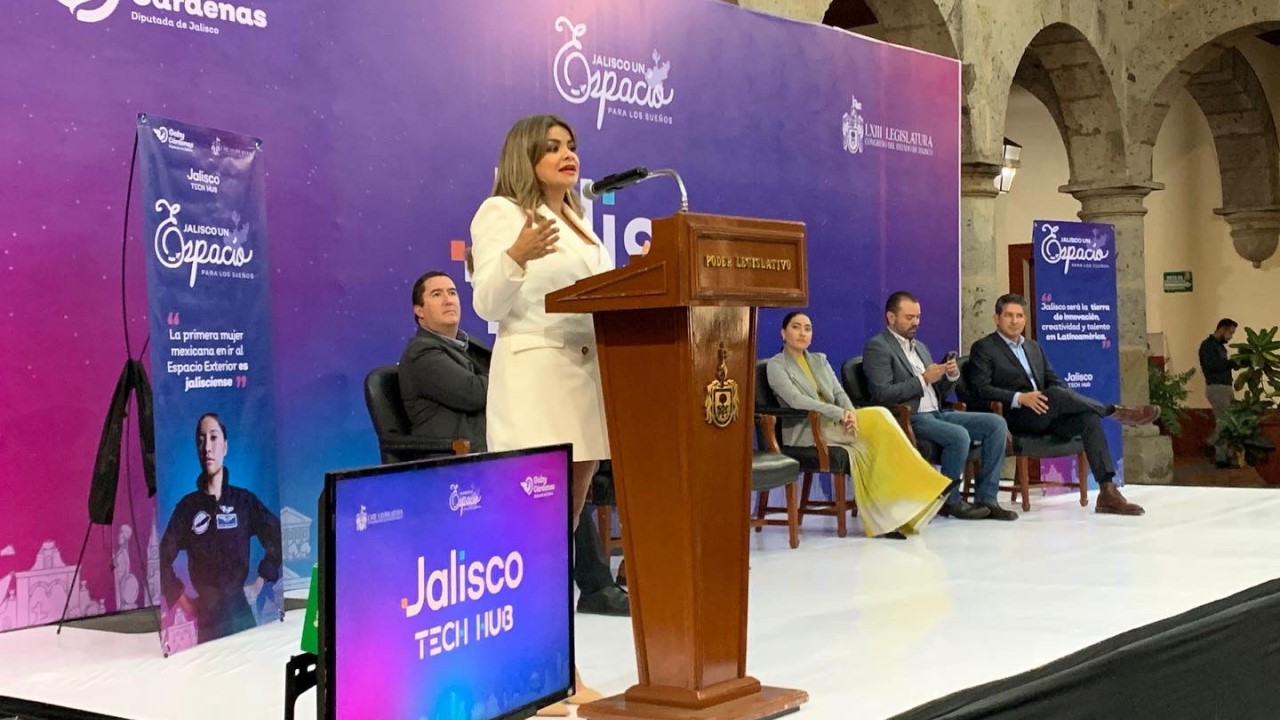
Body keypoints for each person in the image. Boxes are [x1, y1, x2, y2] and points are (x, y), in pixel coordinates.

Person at [470, 114, 634, 714]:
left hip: (584, 378)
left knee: (560, 531)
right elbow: (488, 303)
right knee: (534, 533)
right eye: (553, 147)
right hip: (536, 376)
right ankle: (540, 669)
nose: (568, 154)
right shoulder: (501, 213)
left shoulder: (581, 223)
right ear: (526, 156)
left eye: (572, 146)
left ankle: (548, 666)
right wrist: (516, 254)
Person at [398, 269, 628, 616]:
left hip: (493, 448)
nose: (448, 300)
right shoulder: (422, 353)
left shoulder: (466, 346)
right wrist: (516, 373)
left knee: (569, 469)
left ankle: (595, 585)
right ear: (418, 311)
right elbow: (476, 392)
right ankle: (585, 588)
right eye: (436, 294)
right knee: (556, 480)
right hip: (457, 460)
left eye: (453, 292)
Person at [966, 294, 1158, 516]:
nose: (1015, 321)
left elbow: (1053, 380)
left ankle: (1107, 491)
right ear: (997, 319)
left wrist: (1063, 398)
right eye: (1009, 315)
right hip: (1015, 417)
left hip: (1047, 414)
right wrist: (1019, 397)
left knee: (1088, 418)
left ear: (1025, 319)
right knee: (1056, 395)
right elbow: (980, 389)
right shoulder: (984, 347)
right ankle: (1114, 412)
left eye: (1019, 316)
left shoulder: (1033, 347)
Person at [767, 311, 950, 539]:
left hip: (839, 422)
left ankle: (890, 519)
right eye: (796, 327)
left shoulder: (819, 360)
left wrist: (850, 414)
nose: (802, 333)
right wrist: (839, 413)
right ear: (783, 333)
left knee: (879, 445)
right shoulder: (776, 365)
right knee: (880, 415)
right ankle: (926, 484)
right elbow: (796, 400)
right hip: (808, 429)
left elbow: (838, 392)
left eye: (808, 328)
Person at [862, 291, 1016, 521]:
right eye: (909, 317)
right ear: (891, 317)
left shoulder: (921, 347)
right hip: (909, 417)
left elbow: (937, 392)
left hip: (937, 412)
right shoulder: (878, 347)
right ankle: (949, 501)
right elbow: (882, 394)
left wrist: (949, 376)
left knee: (996, 424)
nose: (915, 322)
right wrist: (923, 379)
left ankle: (987, 498)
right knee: (959, 435)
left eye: (918, 317)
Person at [159, 413, 282, 643]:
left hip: (241, 616)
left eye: (214, 438)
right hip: (208, 623)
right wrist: (182, 600)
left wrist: (259, 582)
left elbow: (278, 536)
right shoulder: (187, 508)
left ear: (225, 446)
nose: (207, 447)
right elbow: (161, 558)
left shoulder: (244, 502)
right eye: (201, 440)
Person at [1199, 318, 1238, 467]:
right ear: (1222, 329)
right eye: (1230, 333)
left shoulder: (1220, 347)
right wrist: (1232, 363)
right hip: (1217, 387)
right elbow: (1212, 366)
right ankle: (1218, 454)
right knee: (1224, 423)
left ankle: (1225, 455)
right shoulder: (1207, 346)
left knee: (1229, 422)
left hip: (1225, 387)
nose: (1231, 337)